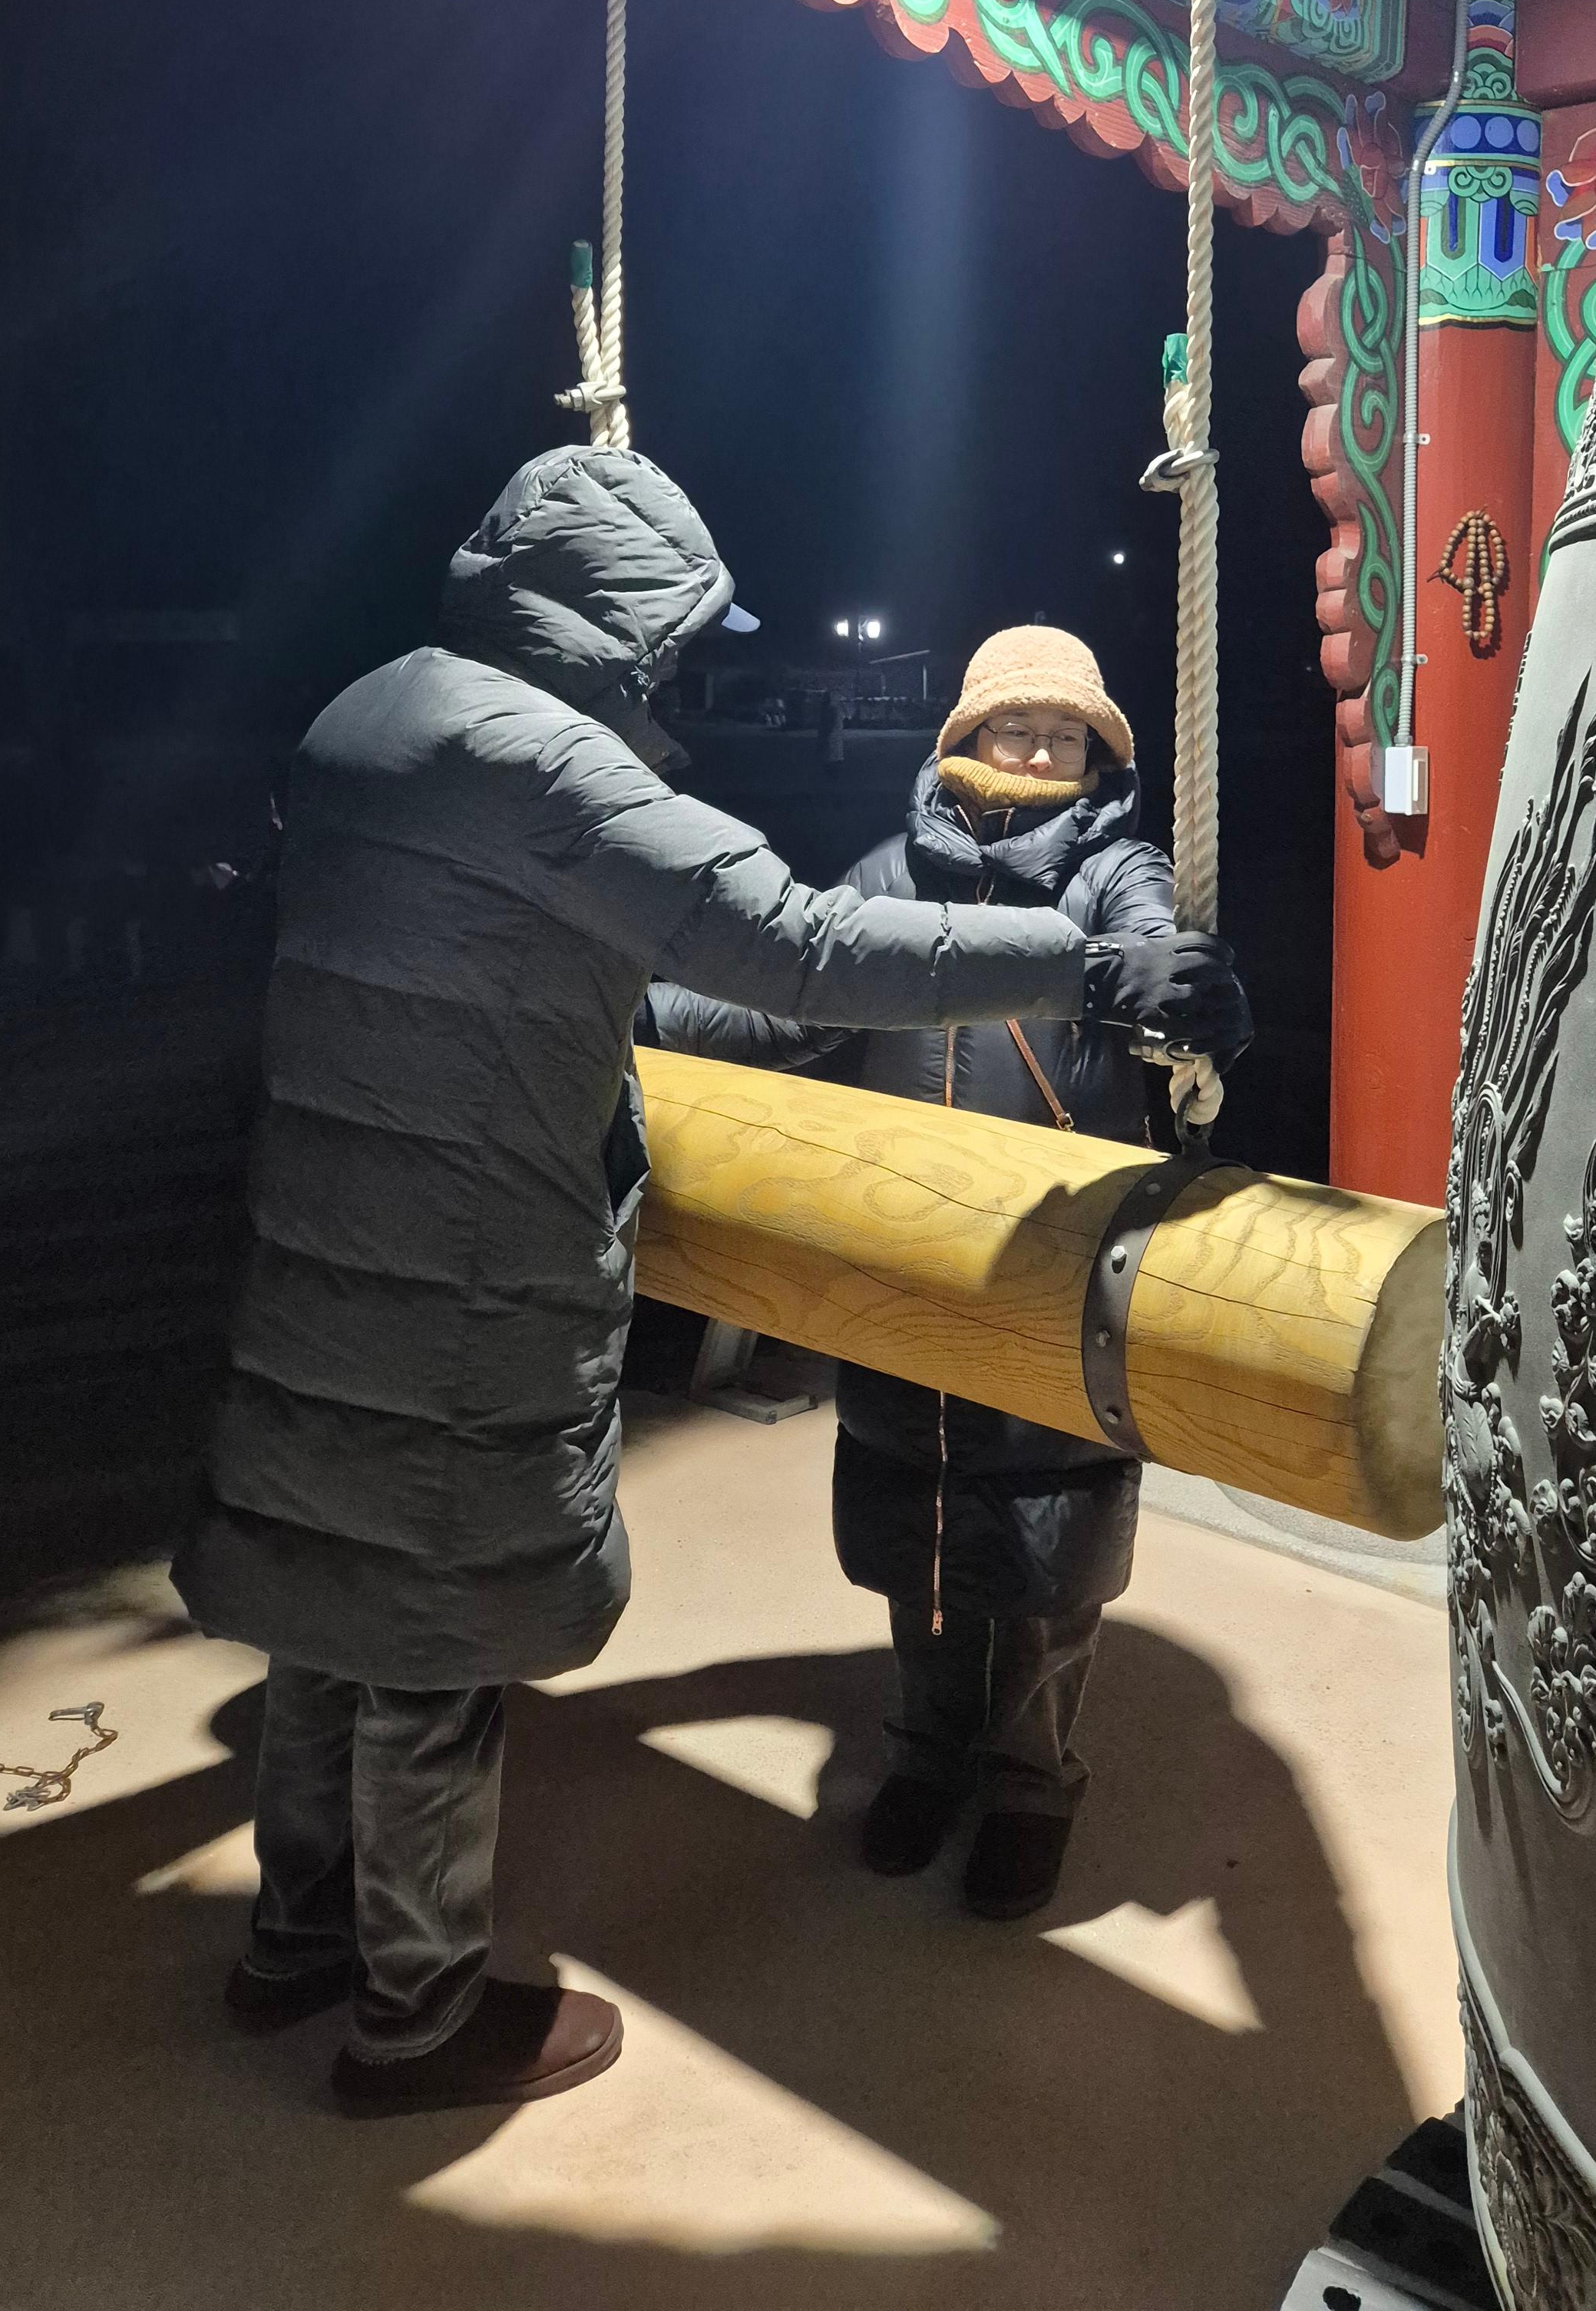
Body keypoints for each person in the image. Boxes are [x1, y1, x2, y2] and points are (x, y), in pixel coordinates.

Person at [172, 453, 1241, 2118]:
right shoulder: (547, 767)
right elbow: (804, 948)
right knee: (431, 1636)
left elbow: (528, 971)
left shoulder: (366, 719)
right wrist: (1089, 967)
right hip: (463, 1262)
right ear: (612, 620)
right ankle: (418, 2014)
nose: (676, 677)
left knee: (329, 1599)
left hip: (322, 1228)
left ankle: (296, 1938)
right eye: (669, 641)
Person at [649, 627, 1251, 1923]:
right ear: (966, 734)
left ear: (1095, 754)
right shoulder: (885, 875)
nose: (1037, 752)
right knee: (915, 1518)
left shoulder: (1114, 871)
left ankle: (1033, 1781)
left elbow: (1152, 948)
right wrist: (651, 1014)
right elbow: (793, 997)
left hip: (1056, 1259)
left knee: (1050, 1537)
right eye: (1014, 728)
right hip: (908, 1260)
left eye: (1065, 735)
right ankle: (925, 1752)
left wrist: (1187, 998)